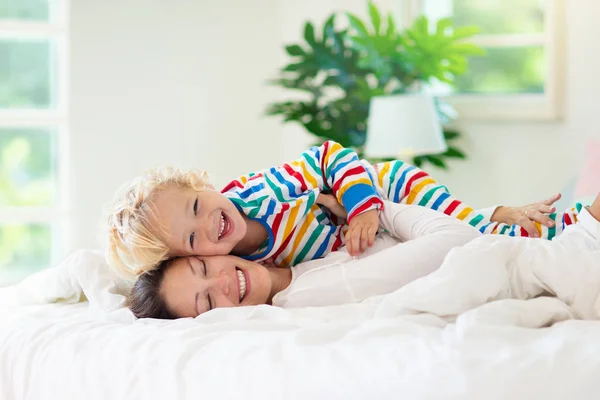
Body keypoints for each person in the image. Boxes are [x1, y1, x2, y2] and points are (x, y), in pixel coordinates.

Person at [102, 140, 580, 279]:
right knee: (453, 237)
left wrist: (363, 208)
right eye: (191, 236)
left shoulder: (256, 192)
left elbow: (329, 156)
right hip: (361, 231)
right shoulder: (241, 266)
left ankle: (562, 230)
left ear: (201, 185)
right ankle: (503, 215)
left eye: (196, 205)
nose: (209, 222)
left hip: (382, 188)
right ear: (189, 258)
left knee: (462, 226)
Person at [127, 192, 600, 319]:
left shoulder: (308, 262)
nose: (223, 283)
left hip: (537, 255)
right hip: (545, 267)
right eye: (208, 302)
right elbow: (449, 242)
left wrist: (357, 211)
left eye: (204, 269)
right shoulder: (312, 297)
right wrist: (382, 212)